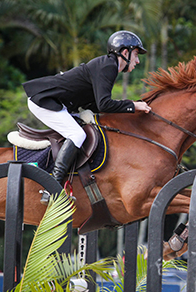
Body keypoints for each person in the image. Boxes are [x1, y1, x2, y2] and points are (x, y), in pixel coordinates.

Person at [22, 30, 151, 205]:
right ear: (125, 53)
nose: (137, 61)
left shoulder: (107, 66)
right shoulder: (108, 67)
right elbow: (105, 104)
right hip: (44, 101)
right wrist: (133, 105)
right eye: (136, 55)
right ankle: (52, 188)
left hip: (57, 102)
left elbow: (97, 106)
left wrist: (129, 107)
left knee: (82, 129)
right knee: (77, 135)